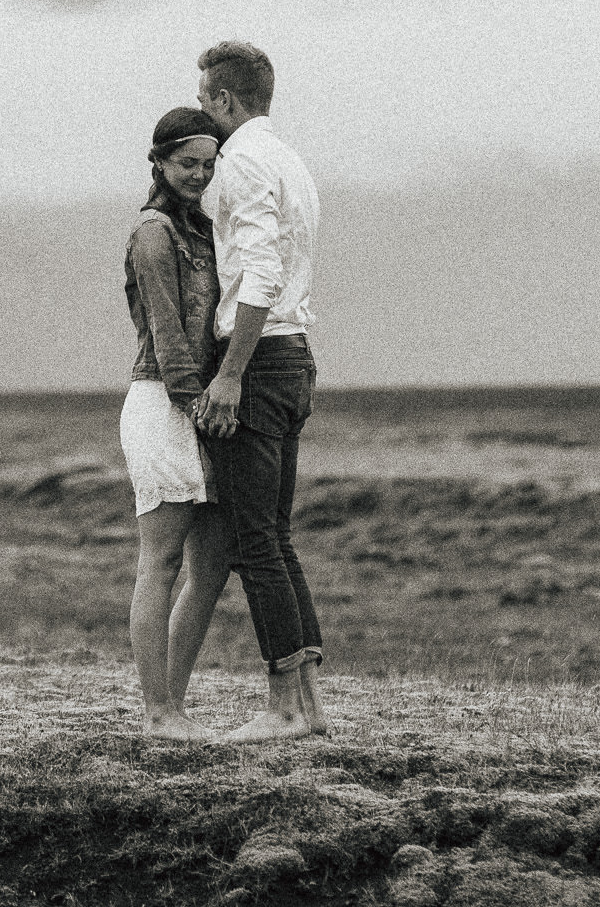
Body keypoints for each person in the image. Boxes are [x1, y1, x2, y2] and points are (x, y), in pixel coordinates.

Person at [190, 41, 328, 743]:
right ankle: (309, 703)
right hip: (296, 354)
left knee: (256, 541)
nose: (203, 112)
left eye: (205, 99)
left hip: (262, 355)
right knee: (277, 535)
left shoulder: (243, 159)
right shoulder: (290, 160)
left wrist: (229, 372)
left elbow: (260, 276)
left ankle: (283, 709)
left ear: (223, 100)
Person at [120, 107, 235, 741]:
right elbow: (166, 331)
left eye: (208, 166)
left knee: (213, 564)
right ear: (160, 163)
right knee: (160, 562)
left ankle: (177, 704)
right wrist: (199, 404)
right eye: (187, 163)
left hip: (209, 408)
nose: (198, 175)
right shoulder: (153, 232)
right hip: (164, 406)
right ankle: (156, 710)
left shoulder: (206, 231)